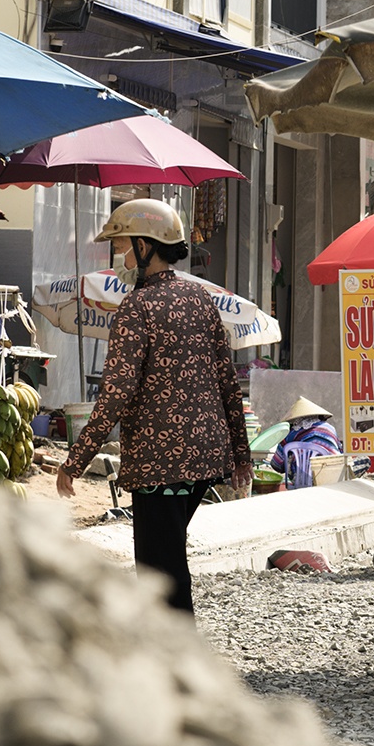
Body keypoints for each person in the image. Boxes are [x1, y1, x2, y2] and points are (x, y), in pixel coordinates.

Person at [54, 198, 250, 615]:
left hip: (162, 465)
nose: (121, 256)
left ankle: (179, 664)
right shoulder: (201, 300)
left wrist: (76, 459)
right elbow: (227, 381)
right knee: (168, 557)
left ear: (146, 246)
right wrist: (241, 454)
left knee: (160, 570)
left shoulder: (136, 307)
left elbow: (115, 392)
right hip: (205, 458)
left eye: (124, 246)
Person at [271, 397, 343, 489]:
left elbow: (277, 465)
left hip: (300, 482)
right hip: (329, 479)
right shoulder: (330, 429)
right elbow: (340, 454)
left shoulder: (289, 433)